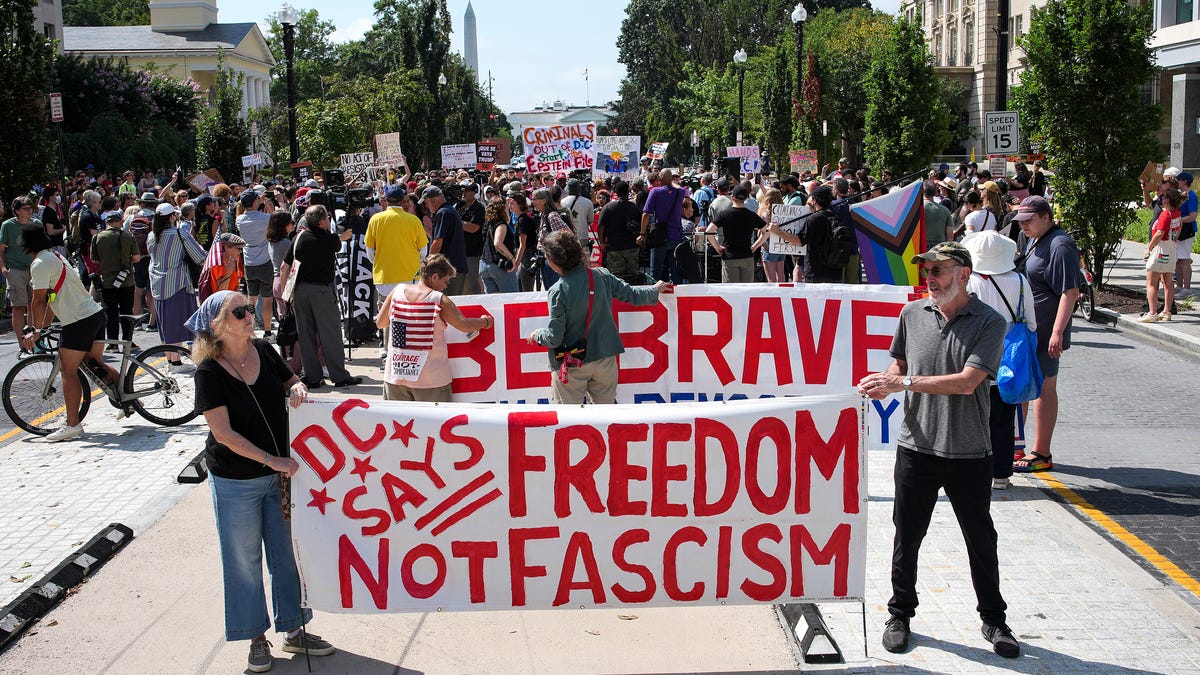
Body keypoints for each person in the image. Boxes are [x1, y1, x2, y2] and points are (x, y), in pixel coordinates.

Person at [857, 241, 1018, 659]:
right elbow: (900, 366)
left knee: (980, 538)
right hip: (916, 447)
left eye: (939, 270)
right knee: (906, 536)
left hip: (968, 451)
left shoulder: (989, 322)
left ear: (964, 274)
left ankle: (994, 619)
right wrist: (883, 380)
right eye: (926, 270)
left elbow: (968, 382)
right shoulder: (911, 314)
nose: (930, 278)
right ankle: (899, 614)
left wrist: (902, 384)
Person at [190, 291, 334, 673]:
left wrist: (299, 388)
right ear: (218, 325)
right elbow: (223, 434)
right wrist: (273, 461)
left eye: (250, 308)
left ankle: (295, 628)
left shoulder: (266, 351)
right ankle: (255, 637)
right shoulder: (208, 371)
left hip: (281, 478)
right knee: (243, 561)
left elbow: (292, 382)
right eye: (239, 312)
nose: (250, 315)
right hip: (237, 479)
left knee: (287, 556)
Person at [527, 231, 670, 404]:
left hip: (572, 364)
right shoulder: (601, 275)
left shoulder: (558, 291)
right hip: (605, 359)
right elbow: (633, 294)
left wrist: (538, 335)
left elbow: (554, 338)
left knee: (570, 424)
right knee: (605, 419)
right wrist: (655, 289)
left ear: (553, 261)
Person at [20, 222, 120, 441]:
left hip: (77, 321)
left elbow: (38, 300)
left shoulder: (39, 264)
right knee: (95, 363)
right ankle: (128, 399)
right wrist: (43, 327)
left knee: (68, 371)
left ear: (26, 245)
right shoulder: (55, 256)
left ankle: (73, 424)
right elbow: (51, 299)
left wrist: (34, 329)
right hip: (93, 314)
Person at [963, 231, 1037, 490]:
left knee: (972, 417)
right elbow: (1031, 322)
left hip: (974, 357)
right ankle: (1001, 474)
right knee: (1004, 417)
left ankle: (972, 470)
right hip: (1010, 360)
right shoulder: (1019, 281)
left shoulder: (970, 281)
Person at [1013, 196, 1080, 473]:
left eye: (1029, 220)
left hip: (1046, 331)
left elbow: (1070, 292)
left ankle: (1041, 452)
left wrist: (1057, 332)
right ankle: (1017, 447)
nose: (1024, 226)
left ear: (1046, 217)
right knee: (1022, 388)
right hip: (1031, 329)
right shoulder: (1034, 239)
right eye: (1021, 221)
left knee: (1043, 389)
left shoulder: (1060, 245)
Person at [375, 254, 493, 401]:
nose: (445, 286)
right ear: (435, 277)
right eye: (446, 281)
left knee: (398, 423)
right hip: (431, 381)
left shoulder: (397, 291)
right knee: (433, 424)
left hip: (396, 377)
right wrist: (485, 322)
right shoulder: (438, 300)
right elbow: (464, 325)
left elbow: (380, 323)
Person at [279, 205, 361, 390]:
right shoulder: (330, 239)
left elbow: (285, 267)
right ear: (323, 221)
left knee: (306, 335)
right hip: (322, 292)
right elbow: (336, 242)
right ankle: (339, 376)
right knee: (330, 334)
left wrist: (286, 295)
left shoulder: (298, 237)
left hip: (300, 292)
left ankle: (313, 377)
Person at [147, 203, 205, 368]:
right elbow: (199, 256)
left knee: (165, 324)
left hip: (157, 283)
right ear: (172, 217)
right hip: (177, 282)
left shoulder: (152, 235)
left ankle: (171, 360)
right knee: (177, 323)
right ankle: (177, 362)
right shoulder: (180, 233)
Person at [768, 185, 844, 283]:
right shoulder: (834, 216)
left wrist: (778, 232)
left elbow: (800, 241)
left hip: (816, 271)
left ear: (814, 200)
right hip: (835, 270)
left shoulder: (813, 219)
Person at [91, 209, 141, 350]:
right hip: (126, 281)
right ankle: (127, 342)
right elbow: (136, 258)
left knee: (110, 312)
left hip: (107, 281)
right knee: (126, 312)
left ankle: (112, 343)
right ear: (120, 221)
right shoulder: (128, 236)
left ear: (107, 222)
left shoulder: (97, 238)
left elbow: (94, 259)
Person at [1, 195, 39, 350]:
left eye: (31, 208)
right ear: (16, 211)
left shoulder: (36, 224)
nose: (30, 210)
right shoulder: (7, 225)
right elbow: (1, 250)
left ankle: (33, 341)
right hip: (15, 268)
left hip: (35, 268)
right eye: (25, 208)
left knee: (34, 305)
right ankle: (21, 344)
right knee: (18, 306)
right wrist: (3, 268)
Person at [1139, 189, 1183, 322]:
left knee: (1151, 282)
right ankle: (1166, 311)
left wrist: (1149, 247)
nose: (1161, 198)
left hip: (1160, 249)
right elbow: (1178, 230)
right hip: (1171, 249)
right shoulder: (1177, 213)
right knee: (1168, 282)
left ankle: (1152, 313)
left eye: (1163, 196)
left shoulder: (1165, 214)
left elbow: (1159, 233)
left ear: (1167, 199)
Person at [707, 184, 763, 283]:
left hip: (730, 257)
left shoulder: (724, 215)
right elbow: (767, 231)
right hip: (747, 256)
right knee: (747, 290)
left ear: (732, 197)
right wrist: (755, 246)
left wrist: (717, 247)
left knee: (730, 291)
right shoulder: (751, 215)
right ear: (745, 198)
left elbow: (708, 232)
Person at [639, 169, 686, 284]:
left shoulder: (655, 192)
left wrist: (642, 234)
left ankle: (654, 299)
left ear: (660, 179)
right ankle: (678, 298)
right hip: (676, 237)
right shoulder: (679, 193)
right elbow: (678, 186)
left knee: (655, 272)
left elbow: (646, 214)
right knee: (676, 272)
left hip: (660, 237)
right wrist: (671, 180)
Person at [424, 186, 468, 296]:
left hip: (447, 270)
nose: (426, 206)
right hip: (456, 267)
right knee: (455, 303)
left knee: (446, 305)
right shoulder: (450, 210)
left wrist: (427, 264)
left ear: (432, 200)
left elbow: (437, 242)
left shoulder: (442, 213)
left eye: (426, 202)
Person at [596, 180, 642, 285]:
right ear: (628, 191)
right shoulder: (634, 207)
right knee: (633, 277)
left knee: (616, 278)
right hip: (632, 247)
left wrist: (602, 242)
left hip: (614, 247)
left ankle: (617, 300)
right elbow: (641, 224)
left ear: (615, 192)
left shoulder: (608, 208)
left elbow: (600, 226)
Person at [479, 195, 521, 293]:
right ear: (502, 208)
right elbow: (497, 243)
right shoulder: (501, 224)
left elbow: (507, 220)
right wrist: (512, 258)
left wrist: (504, 203)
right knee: (512, 299)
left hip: (485, 265)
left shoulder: (488, 223)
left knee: (494, 303)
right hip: (499, 266)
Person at [456, 183, 486, 295]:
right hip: (460, 250)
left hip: (473, 251)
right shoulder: (459, 206)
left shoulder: (479, 208)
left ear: (474, 193)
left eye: (467, 191)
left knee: (473, 282)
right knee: (463, 283)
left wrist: (456, 221)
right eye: (463, 190)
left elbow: (473, 228)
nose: (464, 193)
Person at [202, 232, 246, 300]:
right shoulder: (218, 265)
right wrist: (229, 271)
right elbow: (220, 292)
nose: (240, 252)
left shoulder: (228, 262)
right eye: (238, 248)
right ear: (226, 248)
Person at [1175, 171, 1196, 292]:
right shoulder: (1180, 194)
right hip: (1180, 230)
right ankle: (1179, 286)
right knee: (1178, 260)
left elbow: (1193, 216)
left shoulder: (1191, 196)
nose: (1178, 182)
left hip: (1187, 231)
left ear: (1185, 181)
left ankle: (1187, 288)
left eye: (1179, 179)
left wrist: (1178, 220)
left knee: (1184, 259)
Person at [923, 180, 954, 248]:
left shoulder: (916, 209)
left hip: (920, 247)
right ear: (935, 192)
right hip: (939, 248)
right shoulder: (945, 210)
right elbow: (950, 236)